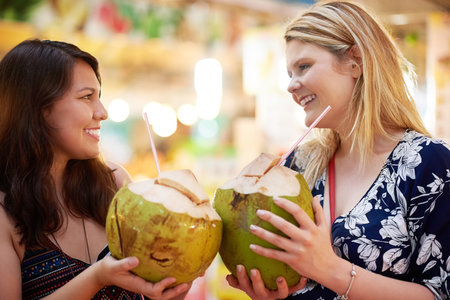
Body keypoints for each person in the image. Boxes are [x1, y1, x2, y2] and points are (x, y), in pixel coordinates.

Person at [225, 1, 450, 299]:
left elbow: (440, 292)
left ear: (355, 62)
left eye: (303, 67)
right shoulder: (299, 166)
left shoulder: (429, 164)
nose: (291, 85)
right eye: (290, 73)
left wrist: (330, 269)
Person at [0, 39, 191, 299]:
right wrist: (97, 278)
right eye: (86, 97)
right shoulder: (4, 213)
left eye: (98, 97)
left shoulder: (115, 183)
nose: (102, 112)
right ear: (39, 108)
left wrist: (175, 284)